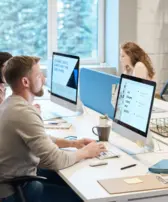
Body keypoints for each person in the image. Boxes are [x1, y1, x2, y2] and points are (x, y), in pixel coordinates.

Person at [0, 56, 107, 202]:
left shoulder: (10, 104)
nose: (44, 79)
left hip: (17, 181)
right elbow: (55, 160)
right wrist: (86, 152)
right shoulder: (24, 112)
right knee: (86, 197)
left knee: (66, 180)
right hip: (16, 192)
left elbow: (39, 137)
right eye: (39, 75)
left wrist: (72, 144)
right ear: (25, 82)